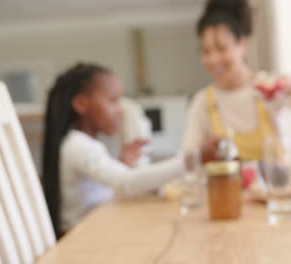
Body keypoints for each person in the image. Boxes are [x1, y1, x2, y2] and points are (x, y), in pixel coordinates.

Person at [42, 63, 218, 238]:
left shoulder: (80, 144)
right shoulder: (78, 146)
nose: (120, 110)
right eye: (112, 101)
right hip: (80, 239)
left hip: (92, 231)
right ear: (81, 104)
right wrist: (194, 159)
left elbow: (99, 191)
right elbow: (128, 183)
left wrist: (121, 165)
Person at [182, 0, 291, 162]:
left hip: (278, 185)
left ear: (242, 45)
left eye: (222, 48)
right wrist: (203, 153)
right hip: (227, 187)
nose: (213, 59)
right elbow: (187, 158)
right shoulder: (202, 102)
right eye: (206, 51)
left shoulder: (266, 87)